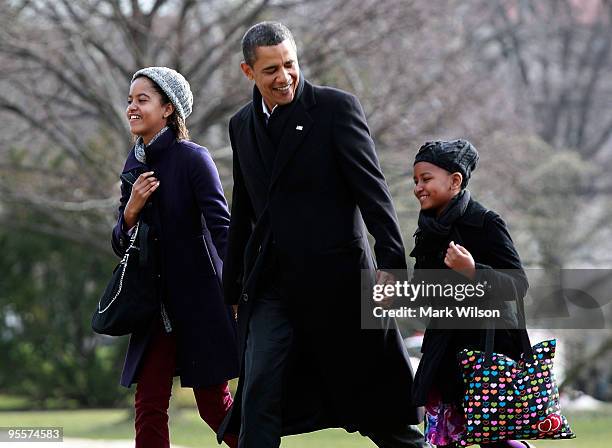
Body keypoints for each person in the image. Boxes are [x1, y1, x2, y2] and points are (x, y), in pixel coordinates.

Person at [217, 21, 429, 448]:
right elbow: (244, 209)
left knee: (374, 404)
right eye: (271, 70)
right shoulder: (241, 125)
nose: (284, 78)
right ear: (248, 72)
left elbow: (373, 192)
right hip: (273, 285)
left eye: (289, 65)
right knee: (258, 392)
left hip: (341, 284)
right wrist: (233, 287)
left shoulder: (336, 109)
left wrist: (390, 264)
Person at [111, 66, 239, 448]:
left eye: (142, 99)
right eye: (130, 100)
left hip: (200, 302)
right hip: (153, 307)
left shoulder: (193, 159)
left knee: (213, 406)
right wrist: (131, 210)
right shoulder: (132, 166)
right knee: (148, 404)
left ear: (168, 109)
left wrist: (236, 289)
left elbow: (222, 229)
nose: (132, 107)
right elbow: (121, 242)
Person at [409, 139, 534, 448]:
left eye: (426, 179)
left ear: (455, 181)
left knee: (497, 440)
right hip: (443, 352)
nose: (418, 187)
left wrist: (473, 271)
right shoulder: (427, 229)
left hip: (487, 351)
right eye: (415, 181)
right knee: (441, 438)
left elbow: (518, 284)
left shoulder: (486, 223)